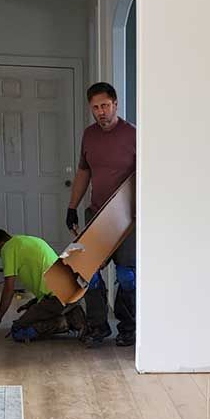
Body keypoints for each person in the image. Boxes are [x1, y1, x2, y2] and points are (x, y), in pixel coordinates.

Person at [66, 82, 137, 347]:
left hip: (127, 219)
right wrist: (72, 207)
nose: (101, 112)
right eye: (95, 107)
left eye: (105, 106)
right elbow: (84, 172)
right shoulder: (89, 136)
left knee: (127, 275)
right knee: (88, 272)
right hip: (96, 215)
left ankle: (128, 327)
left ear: (115, 104)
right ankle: (98, 326)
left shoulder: (133, 135)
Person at [0, 229, 86, 341]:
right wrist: (33, 303)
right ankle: (72, 313)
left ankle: (67, 321)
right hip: (71, 291)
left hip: (57, 298)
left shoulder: (8, 248)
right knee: (34, 315)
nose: (0, 257)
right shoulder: (26, 241)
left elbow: (8, 289)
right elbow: (47, 277)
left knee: (18, 330)